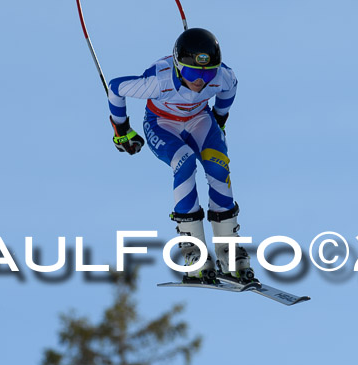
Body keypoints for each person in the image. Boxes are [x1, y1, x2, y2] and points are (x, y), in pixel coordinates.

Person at [107, 28, 253, 284]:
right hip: (162, 123)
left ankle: (229, 253)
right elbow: (116, 88)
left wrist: (219, 119)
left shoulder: (222, 76)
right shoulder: (158, 81)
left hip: (199, 120)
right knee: (184, 164)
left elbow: (230, 89)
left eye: (207, 72)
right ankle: (192, 251)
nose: (200, 81)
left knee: (219, 168)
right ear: (177, 66)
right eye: (191, 72)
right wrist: (122, 130)